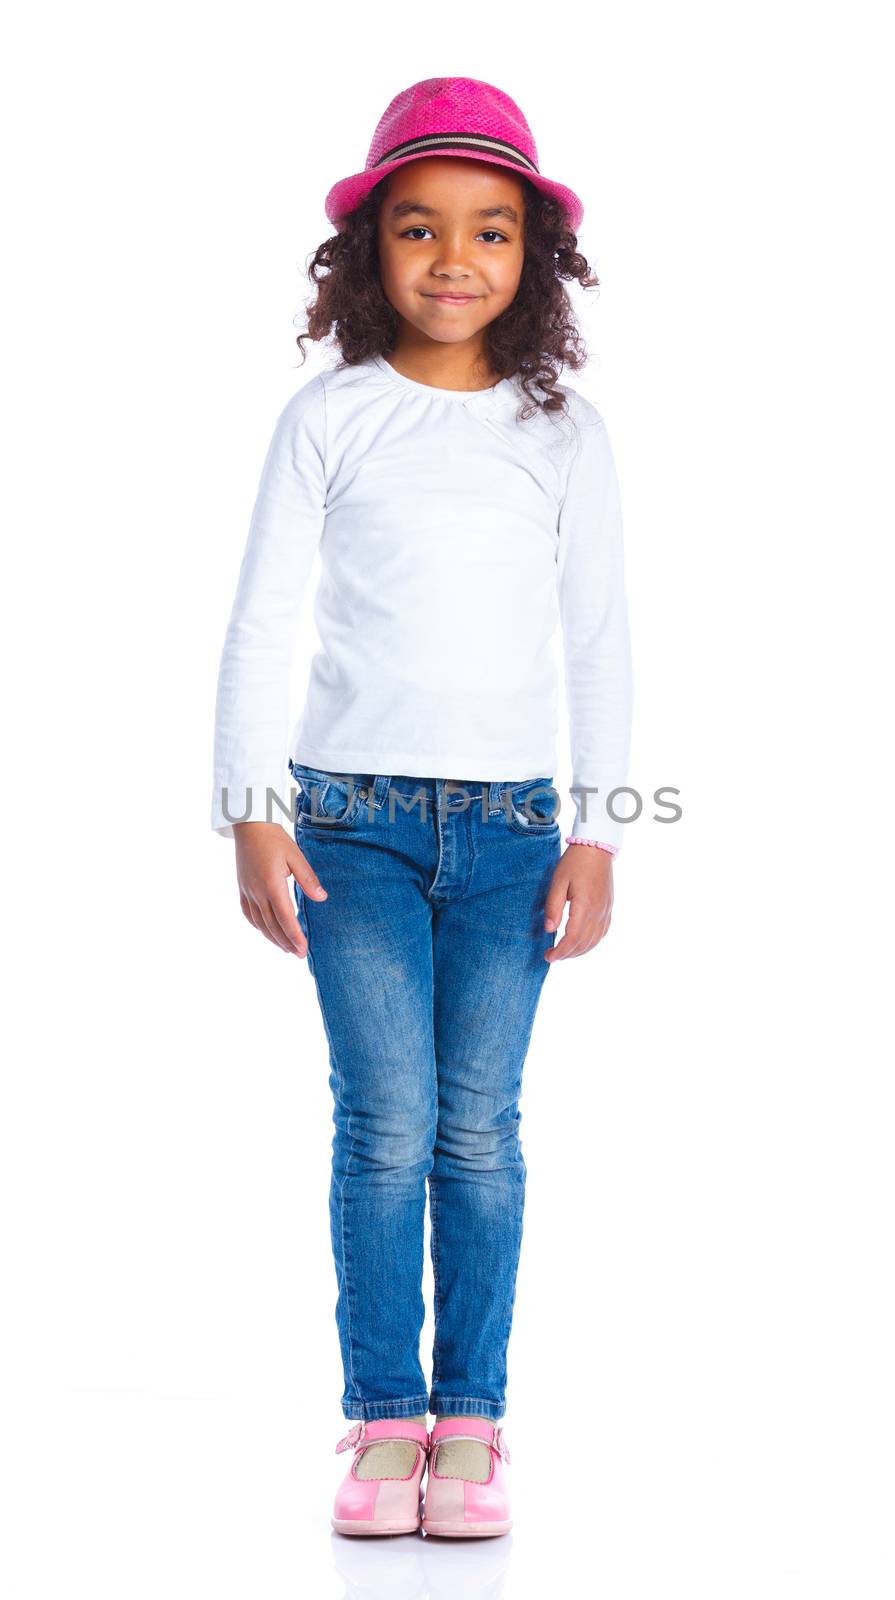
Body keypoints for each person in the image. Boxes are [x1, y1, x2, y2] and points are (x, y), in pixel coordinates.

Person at [210, 76, 634, 1538]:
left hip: (516, 833)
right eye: (418, 228)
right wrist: (253, 813)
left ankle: (478, 1425)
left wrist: (599, 831)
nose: (454, 259)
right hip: (355, 828)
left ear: (533, 259)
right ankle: (386, 1422)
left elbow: (600, 640)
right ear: (366, 252)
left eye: (491, 232)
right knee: (383, 1124)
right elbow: (264, 627)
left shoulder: (561, 432)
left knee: (481, 1129)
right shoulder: (330, 419)